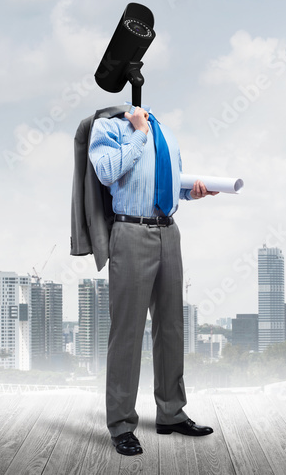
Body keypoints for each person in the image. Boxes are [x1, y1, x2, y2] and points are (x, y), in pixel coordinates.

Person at [88, 103, 217, 457]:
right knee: (128, 332)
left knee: (171, 327)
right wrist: (139, 133)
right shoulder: (109, 128)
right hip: (130, 231)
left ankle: (171, 413)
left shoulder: (167, 133)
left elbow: (169, 182)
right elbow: (106, 172)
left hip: (169, 232)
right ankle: (121, 425)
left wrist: (192, 191)